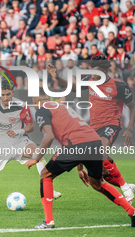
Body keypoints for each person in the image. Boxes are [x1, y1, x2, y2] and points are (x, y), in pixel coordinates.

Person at [27, 89, 135, 229]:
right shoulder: (62, 106)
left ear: (35, 102)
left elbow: (49, 137)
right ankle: (132, 211)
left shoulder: (41, 109)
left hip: (76, 144)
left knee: (46, 174)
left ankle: (48, 221)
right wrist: (80, 168)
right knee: (97, 183)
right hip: (94, 141)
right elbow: (78, 130)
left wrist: (36, 159)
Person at [47, 56, 135, 203]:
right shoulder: (90, 79)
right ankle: (126, 185)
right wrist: (58, 78)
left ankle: (125, 189)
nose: (94, 76)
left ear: (105, 72)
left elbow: (132, 106)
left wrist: (130, 129)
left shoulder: (118, 86)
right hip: (93, 127)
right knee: (98, 172)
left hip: (111, 124)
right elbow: (74, 88)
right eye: (92, 72)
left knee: (101, 152)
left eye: (97, 73)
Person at [0, 81, 61, 210]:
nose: (5, 98)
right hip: (0, 146)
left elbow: (30, 127)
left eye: (8, 94)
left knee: (38, 153)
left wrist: (18, 131)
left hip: (19, 142)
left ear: (13, 93)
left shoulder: (21, 106)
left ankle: (49, 189)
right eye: (3, 94)